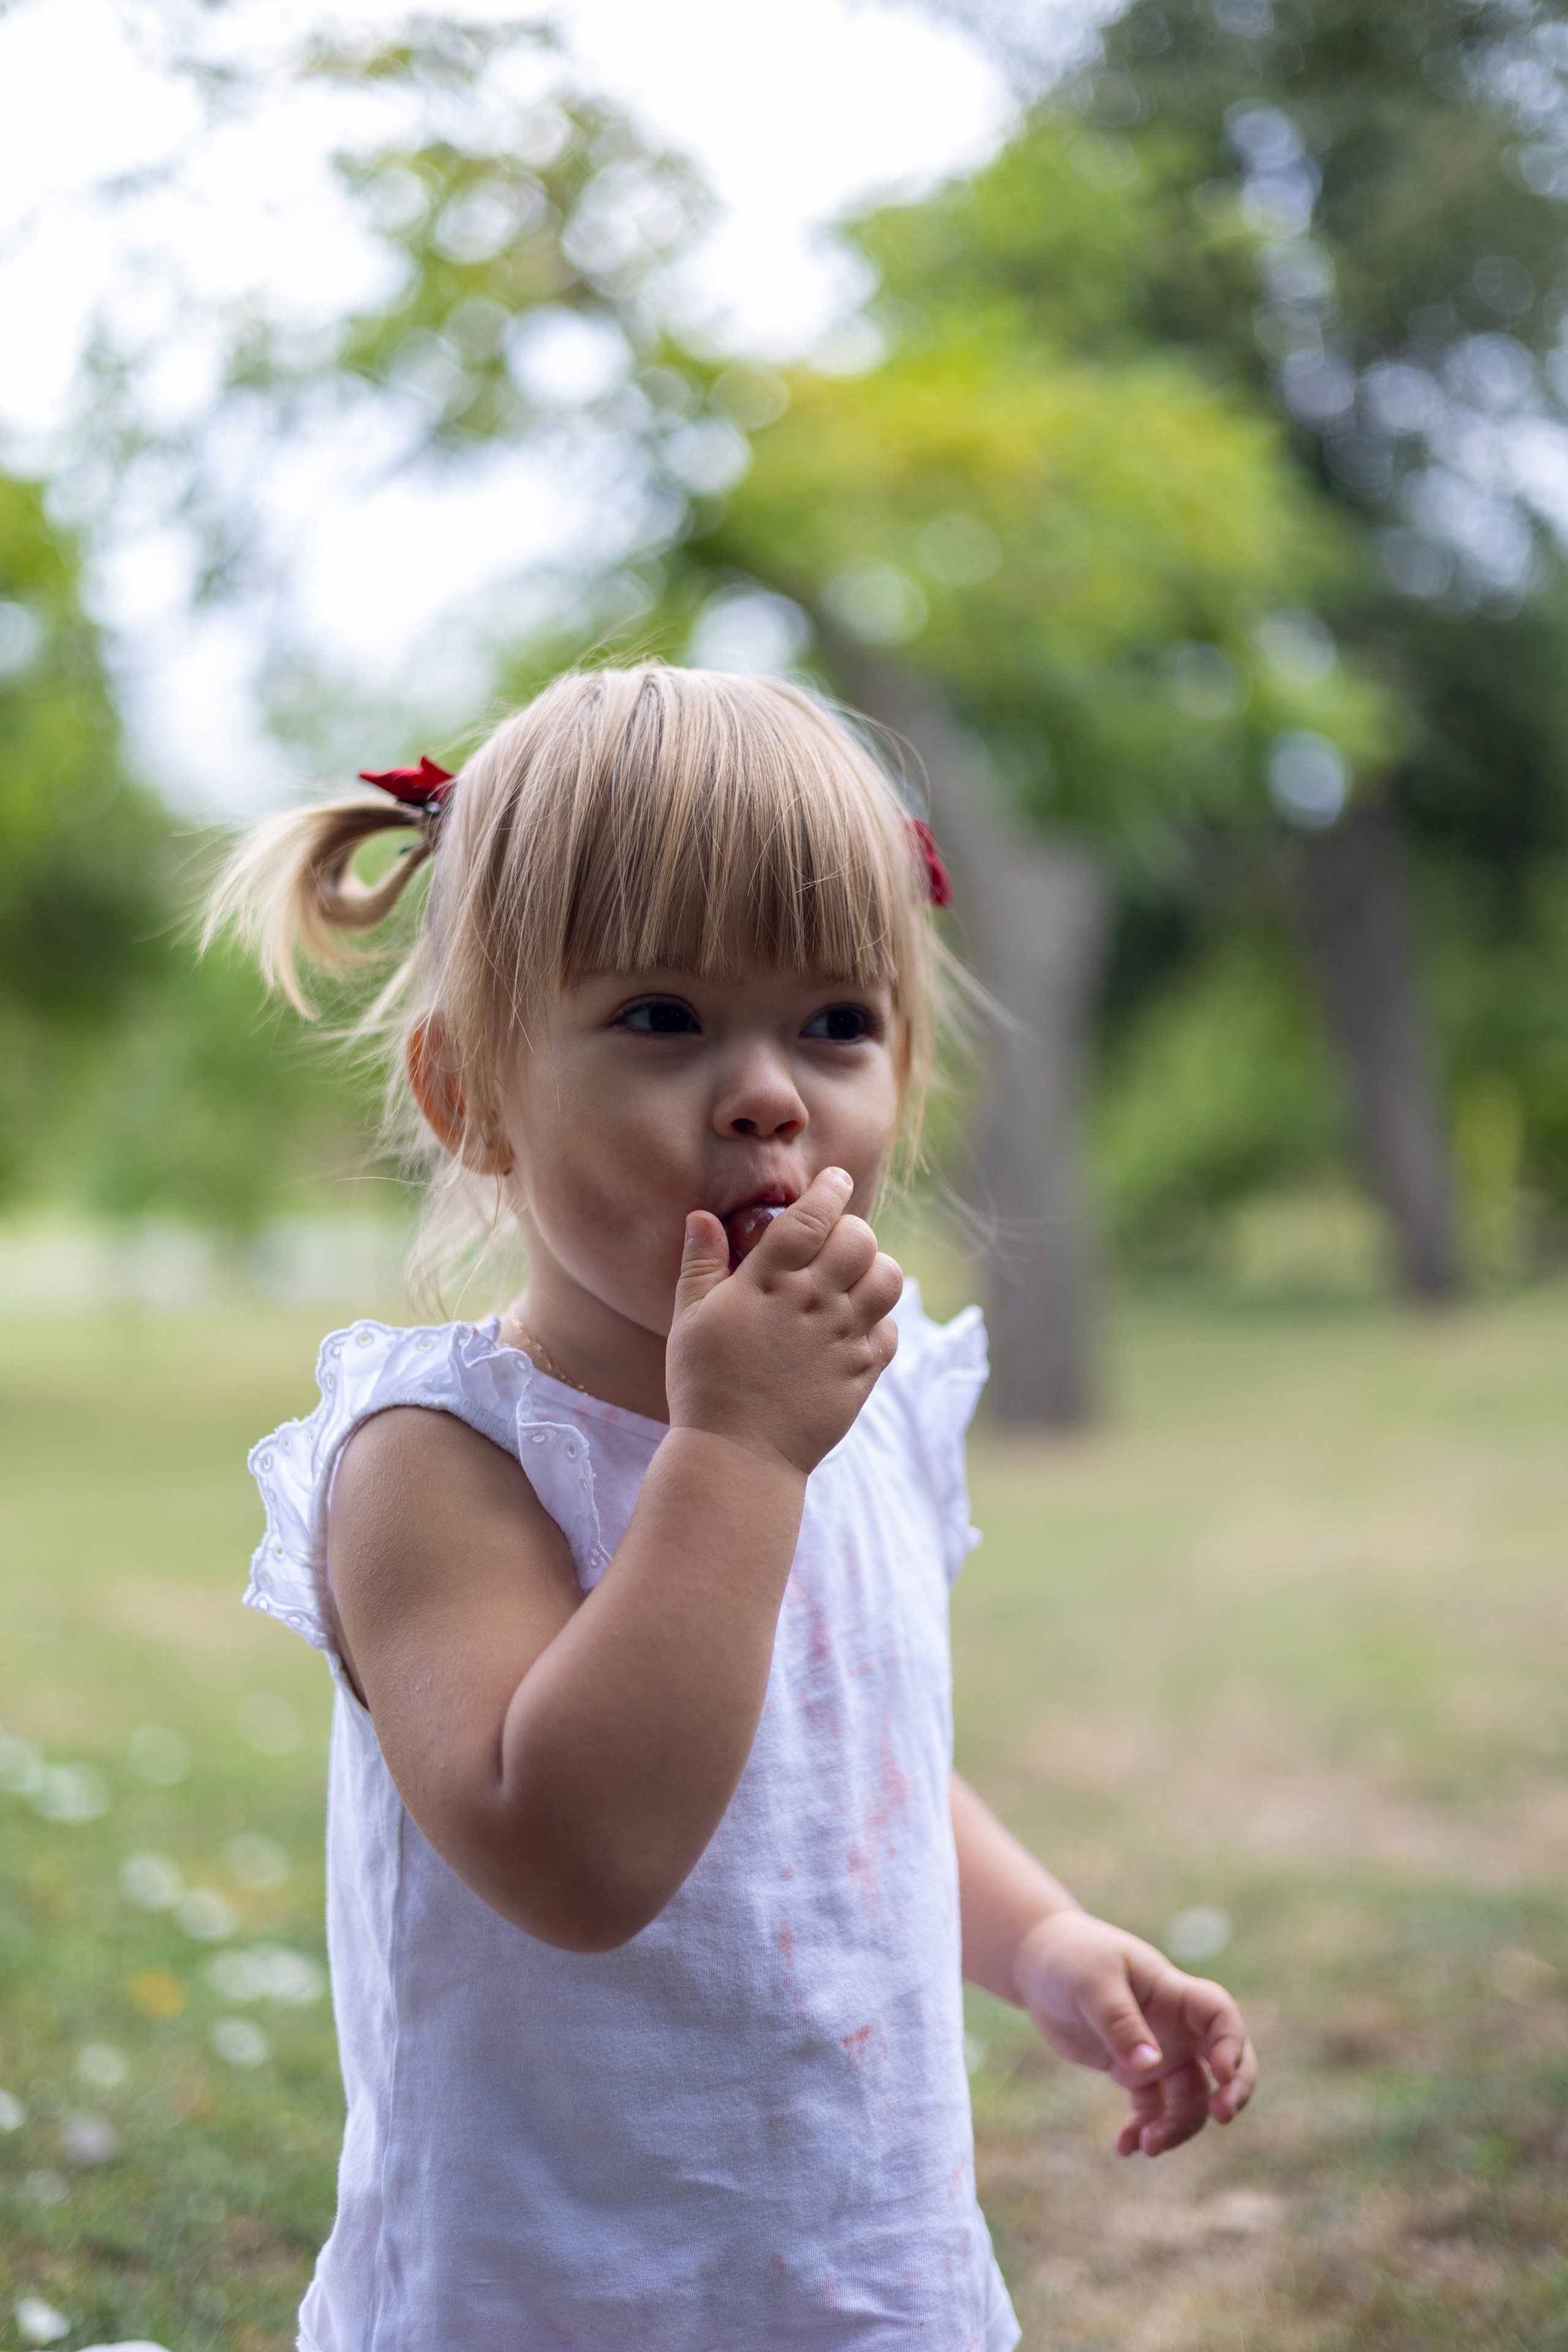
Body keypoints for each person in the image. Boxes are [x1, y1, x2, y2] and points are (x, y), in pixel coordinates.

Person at [214, 665, 1256, 2352]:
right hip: (551, 2299)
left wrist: (1041, 1938)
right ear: (470, 1094)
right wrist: (741, 1458)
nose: (770, 1090)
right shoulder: (438, 1463)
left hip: (866, 2274)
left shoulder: (871, 1407)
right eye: (662, 1017)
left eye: (835, 1023)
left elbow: (853, 1762)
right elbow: (577, 1859)